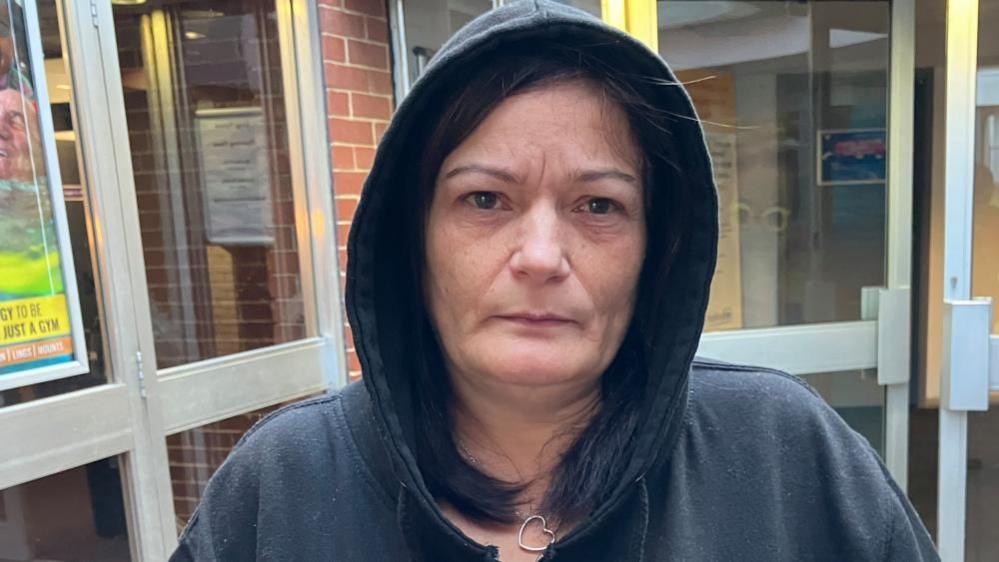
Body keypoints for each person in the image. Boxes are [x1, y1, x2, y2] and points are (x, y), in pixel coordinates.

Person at [170, 2, 938, 560]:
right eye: (483, 199)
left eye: (598, 205)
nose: (540, 254)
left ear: (656, 249)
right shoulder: (286, 484)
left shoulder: (782, 456)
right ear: (412, 238)